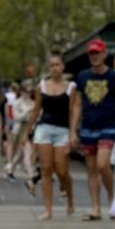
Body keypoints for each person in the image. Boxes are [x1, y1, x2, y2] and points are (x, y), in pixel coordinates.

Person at [70, 38, 115, 221]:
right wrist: (73, 130)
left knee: (103, 165)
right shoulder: (82, 76)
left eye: (97, 53)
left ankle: (112, 198)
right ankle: (95, 207)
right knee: (91, 168)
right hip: (88, 126)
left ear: (104, 54)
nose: (94, 56)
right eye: (91, 53)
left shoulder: (114, 77)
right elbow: (77, 104)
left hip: (107, 126)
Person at [24, 52, 75, 220]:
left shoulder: (71, 87)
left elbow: (72, 112)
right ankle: (48, 209)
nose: (55, 68)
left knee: (61, 170)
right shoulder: (42, 86)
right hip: (44, 129)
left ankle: (70, 197)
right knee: (46, 169)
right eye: (51, 65)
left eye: (57, 65)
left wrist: (73, 134)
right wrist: (28, 130)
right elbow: (37, 109)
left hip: (62, 131)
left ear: (63, 66)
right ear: (48, 68)